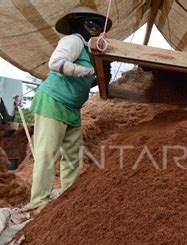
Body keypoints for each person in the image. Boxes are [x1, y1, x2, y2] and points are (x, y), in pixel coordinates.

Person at [28, 6, 111, 209]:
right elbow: (56, 63)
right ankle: (38, 202)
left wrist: (101, 75)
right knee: (47, 153)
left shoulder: (89, 50)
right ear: (77, 24)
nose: (95, 29)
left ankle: (68, 198)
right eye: (91, 24)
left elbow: (86, 80)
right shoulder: (73, 41)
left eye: (98, 26)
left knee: (73, 157)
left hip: (72, 109)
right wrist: (88, 70)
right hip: (53, 102)